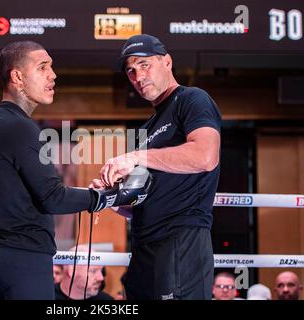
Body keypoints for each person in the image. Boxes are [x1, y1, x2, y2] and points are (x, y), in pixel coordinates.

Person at [0, 41, 151, 300]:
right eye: (43, 67)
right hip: (22, 257)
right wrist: (114, 196)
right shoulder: (17, 126)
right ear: (17, 76)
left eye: (52, 67)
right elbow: (53, 197)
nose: (53, 75)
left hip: (7, 255)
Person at [94, 34, 221, 300]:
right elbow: (140, 203)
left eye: (144, 65)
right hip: (143, 249)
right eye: (130, 70)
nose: (138, 76)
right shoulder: (145, 130)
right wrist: (111, 200)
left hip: (181, 240)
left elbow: (206, 156)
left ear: (167, 62)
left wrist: (137, 157)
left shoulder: (192, 99)